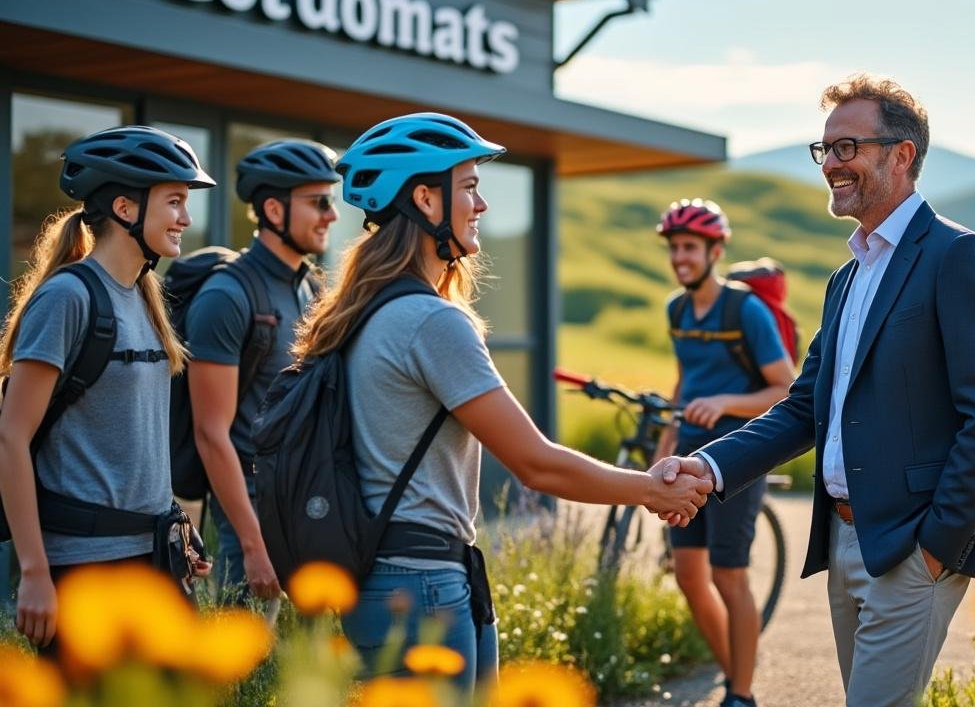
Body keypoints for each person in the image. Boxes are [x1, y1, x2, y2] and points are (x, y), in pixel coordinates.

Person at [293, 112, 712, 696]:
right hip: (422, 588)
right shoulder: (430, 322)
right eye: (469, 186)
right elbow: (535, 463)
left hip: (390, 580)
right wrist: (649, 489)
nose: (482, 204)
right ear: (425, 199)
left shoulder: (365, 310)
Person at [664, 74, 975, 707]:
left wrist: (937, 546)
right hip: (845, 539)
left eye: (847, 147)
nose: (830, 163)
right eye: (825, 149)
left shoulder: (957, 255)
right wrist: (708, 466)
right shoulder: (847, 278)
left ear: (901, 154)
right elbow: (805, 406)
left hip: (913, 546)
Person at [0, 126, 215, 650]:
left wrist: (174, 528)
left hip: (153, 561)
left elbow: (136, 442)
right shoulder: (67, 299)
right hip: (85, 570)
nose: (186, 219)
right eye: (174, 202)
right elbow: (11, 438)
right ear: (124, 208)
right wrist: (34, 572)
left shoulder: (144, 296)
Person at [652, 199, 794, 707]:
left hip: (738, 454)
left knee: (728, 574)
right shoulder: (676, 309)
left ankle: (741, 692)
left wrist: (724, 402)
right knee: (689, 575)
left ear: (715, 251)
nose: (680, 258)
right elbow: (685, 381)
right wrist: (665, 446)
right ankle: (734, 674)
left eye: (690, 247)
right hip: (688, 452)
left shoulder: (746, 311)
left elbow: (786, 389)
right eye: (674, 248)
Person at [186, 139, 340, 600]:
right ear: (274, 209)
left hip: (308, 507)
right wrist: (253, 546)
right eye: (320, 202)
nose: (332, 215)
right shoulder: (227, 296)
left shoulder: (309, 288)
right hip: (252, 521)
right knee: (248, 644)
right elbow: (210, 433)